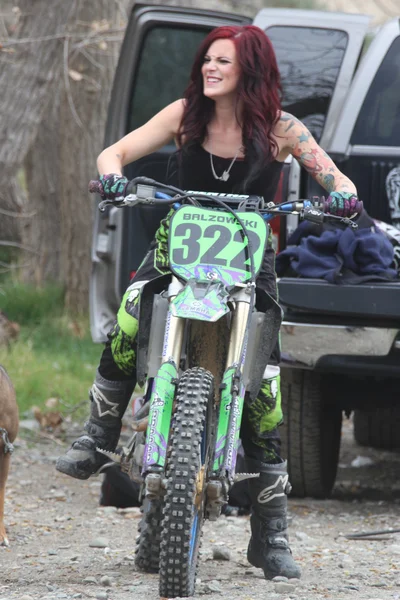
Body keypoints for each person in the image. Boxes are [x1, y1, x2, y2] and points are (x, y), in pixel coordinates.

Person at [56, 25, 359, 580]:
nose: (210, 69)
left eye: (224, 61)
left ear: (252, 70)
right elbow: (114, 152)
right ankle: (97, 437)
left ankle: (270, 533)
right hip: (178, 247)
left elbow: (334, 175)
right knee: (128, 314)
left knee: (265, 386)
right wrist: (114, 179)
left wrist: (341, 193)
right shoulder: (183, 116)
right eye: (207, 60)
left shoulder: (282, 130)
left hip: (250, 260)